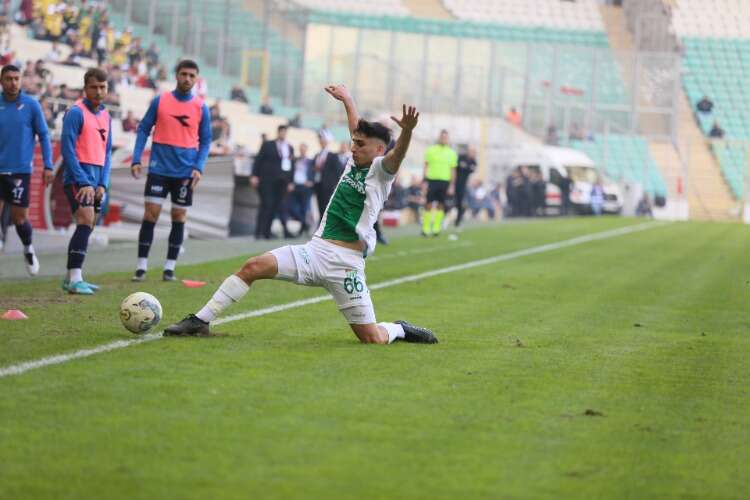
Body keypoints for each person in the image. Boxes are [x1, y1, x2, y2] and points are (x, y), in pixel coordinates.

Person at [164, 84, 437, 345]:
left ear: (379, 150)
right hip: (315, 252)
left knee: (372, 338)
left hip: (347, 266)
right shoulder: (353, 160)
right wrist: (347, 100)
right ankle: (200, 320)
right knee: (252, 267)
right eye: (353, 143)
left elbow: (397, 155)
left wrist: (408, 132)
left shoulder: (381, 171)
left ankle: (399, 329)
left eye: (360, 145)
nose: (353, 148)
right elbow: (356, 129)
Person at [130, 60, 212, 282]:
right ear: (176, 75)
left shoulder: (201, 107)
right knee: (151, 214)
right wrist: (136, 158)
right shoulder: (161, 100)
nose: (187, 78)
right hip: (159, 168)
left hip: (185, 172)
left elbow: (205, 141)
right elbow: (143, 129)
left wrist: (199, 167)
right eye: (183, 74)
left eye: (191, 75)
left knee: (179, 215)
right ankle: (141, 267)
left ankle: (169, 268)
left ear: (196, 79)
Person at [60, 68, 112, 295]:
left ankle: (71, 276)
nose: (98, 91)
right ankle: (75, 279)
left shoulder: (107, 115)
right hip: (78, 177)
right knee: (85, 220)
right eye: (94, 87)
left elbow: (107, 152)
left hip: (96, 179)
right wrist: (83, 181)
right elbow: (68, 149)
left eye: (102, 87)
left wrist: (103, 183)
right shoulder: (75, 113)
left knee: (89, 224)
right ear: (85, 88)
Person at [0, 64, 53, 275]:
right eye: (8, 79)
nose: (13, 83)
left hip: (20, 170)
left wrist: (48, 165)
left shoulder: (31, 105)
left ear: (21, 80)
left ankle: (28, 248)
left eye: (16, 78)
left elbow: (44, 135)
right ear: (1, 81)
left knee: (19, 218)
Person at [251, 124, 294, 240]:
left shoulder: (289, 147)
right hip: (267, 180)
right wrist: (254, 175)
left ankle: (266, 232)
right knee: (266, 204)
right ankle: (258, 232)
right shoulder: (268, 145)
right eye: (281, 132)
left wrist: (290, 181)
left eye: (285, 132)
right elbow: (258, 160)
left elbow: (291, 166)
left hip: (281, 182)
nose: (283, 134)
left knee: (275, 206)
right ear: (278, 132)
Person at [421, 129, 457, 237]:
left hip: (445, 181)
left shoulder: (452, 153)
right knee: (428, 204)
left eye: (445, 137)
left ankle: (436, 228)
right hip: (432, 180)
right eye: (442, 137)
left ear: (448, 139)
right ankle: (426, 228)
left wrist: (452, 185)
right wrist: (424, 181)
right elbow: (426, 166)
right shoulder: (431, 150)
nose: (444, 139)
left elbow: (453, 170)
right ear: (439, 138)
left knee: (441, 205)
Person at [312, 130, 343, 226]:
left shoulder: (332, 155)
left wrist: (333, 184)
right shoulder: (317, 155)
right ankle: (320, 225)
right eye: (320, 139)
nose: (321, 141)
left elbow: (337, 171)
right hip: (318, 184)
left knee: (326, 207)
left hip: (328, 186)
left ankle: (327, 226)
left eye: (323, 139)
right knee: (320, 206)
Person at [287, 143, 314, 236]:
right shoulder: (295, 160)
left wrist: (311, 181)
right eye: (301, 149)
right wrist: (290, 183)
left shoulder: (310, 161)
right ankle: (305, 224)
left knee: (304, 209)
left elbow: (314, 172)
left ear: (306, 150)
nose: (302, 150)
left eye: (304, 149)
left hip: (305, 187)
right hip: (295, 186)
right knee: (291, 207)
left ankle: (302, 229)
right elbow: (290, 172)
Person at [454, 145, 477, 227]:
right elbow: (456, 166)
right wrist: (466, 167)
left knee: (461, 203)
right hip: (454, 182)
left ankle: (458, 220)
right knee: (452, 201)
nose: (473, 153)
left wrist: (465, 166)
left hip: (463, 185)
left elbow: (471, 169)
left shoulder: (473, 161)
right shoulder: (461, 157)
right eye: (471, 151)